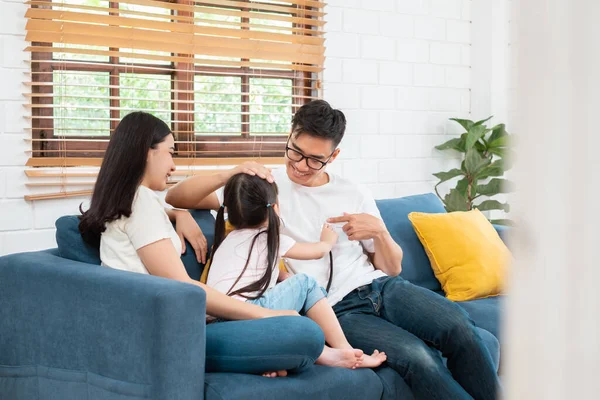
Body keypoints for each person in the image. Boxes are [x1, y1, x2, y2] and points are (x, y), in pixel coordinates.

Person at [166, 100, 502, 399]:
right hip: (338, 309)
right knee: (418, 358)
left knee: (462, 328)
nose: (300, 165)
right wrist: (225, 176)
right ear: (290, 136)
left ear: (333, 156)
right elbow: (178, 196)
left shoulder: (353, 192)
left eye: (315, 160)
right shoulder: (264, 188)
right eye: (295, 151)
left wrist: (381, 233)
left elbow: (393, 268)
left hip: (382, 287)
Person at [78, 111, 325, 378]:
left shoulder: (135, 203)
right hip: (159, 335)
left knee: (295, 332)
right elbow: (183, 286)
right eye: (171, 152)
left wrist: (178, 214)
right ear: (147, 152)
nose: (173, 166)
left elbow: (148, 221)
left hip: (155, 325)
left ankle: (271, 358)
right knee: (304, 331)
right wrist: (265, 315)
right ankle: (278, 354)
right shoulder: (141, 203)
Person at [207, 173, 387, 370]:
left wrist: (284, 278)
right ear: (274, 207)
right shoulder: (270, 238)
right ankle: (345, 350)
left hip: (217, 326)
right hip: (246, 315)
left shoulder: (225, 241)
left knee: (291, 291)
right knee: (306, 284)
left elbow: (257, 276)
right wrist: (327, 240)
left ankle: (275, 362)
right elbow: (318, 252)